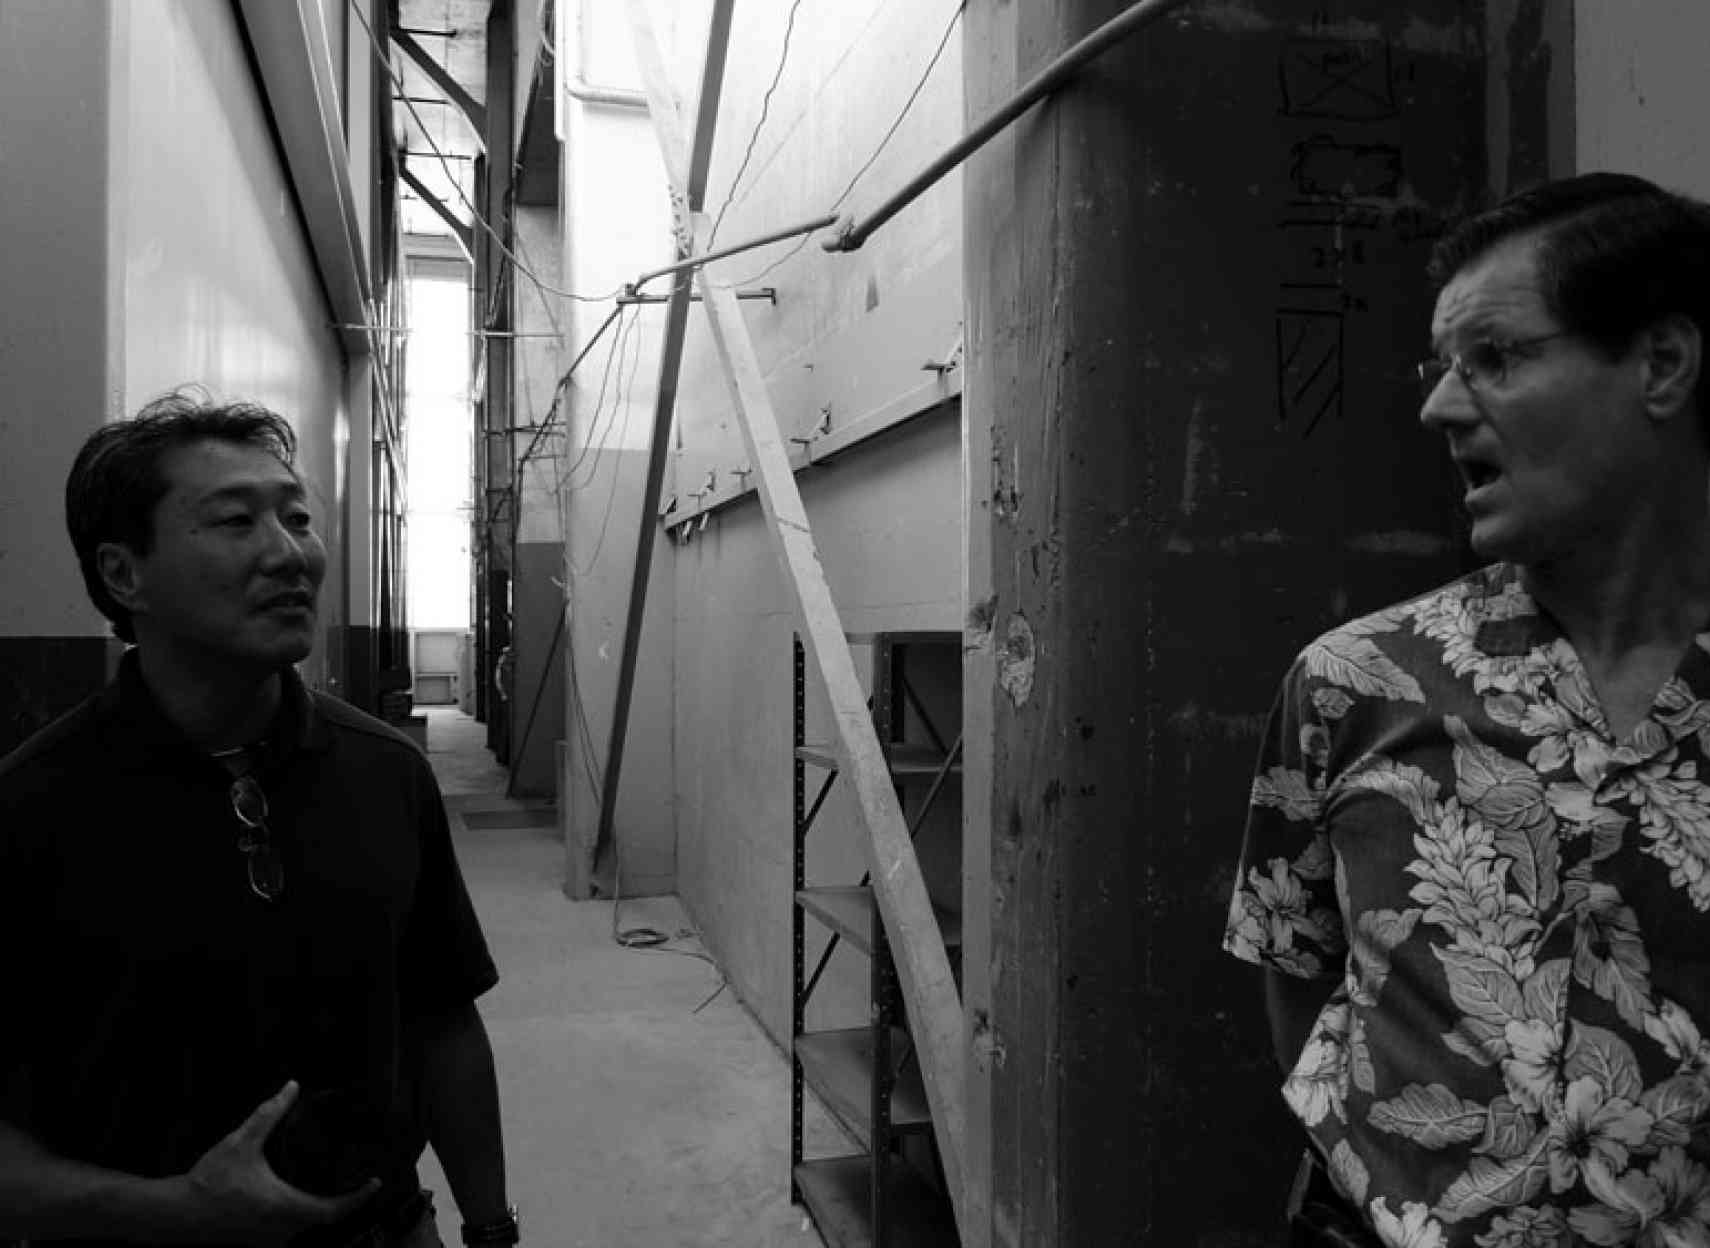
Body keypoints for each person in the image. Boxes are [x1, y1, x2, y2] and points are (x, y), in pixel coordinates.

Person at [1224, 172, 1710, 1247]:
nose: (1440, 408)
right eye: (1440, 367)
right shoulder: (1355, 682)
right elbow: (1298, 976)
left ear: (1662, 364)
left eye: (1494, 357)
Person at [0, 392, 521, 1247]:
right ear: (124, 574)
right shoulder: (31, 810)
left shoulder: (386, 772)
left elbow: (442, 1021)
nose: (290, 553)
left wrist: (490, 1227)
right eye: (236, 521)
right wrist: (175, 1212)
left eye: (297, 517)